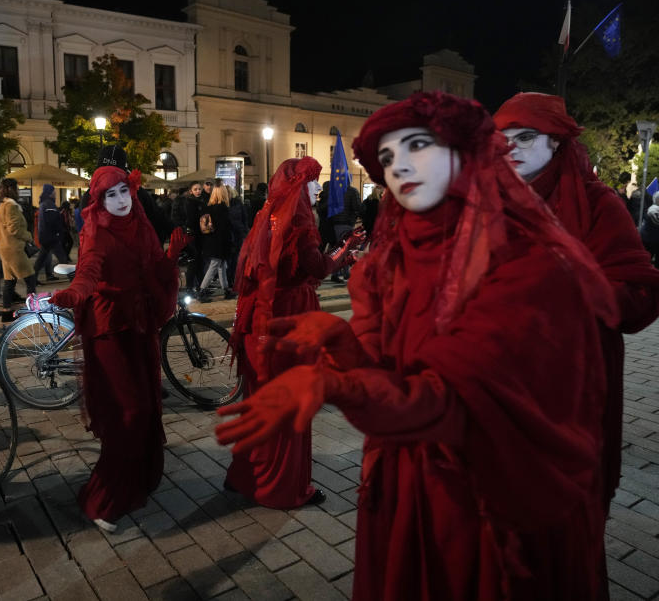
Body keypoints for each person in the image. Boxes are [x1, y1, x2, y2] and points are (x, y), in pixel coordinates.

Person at [216, 92, 619, 598]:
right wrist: (344, 345)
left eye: (417, 146)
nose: (399, 165)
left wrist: (335, 384)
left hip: (487, 507)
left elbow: (449, 402)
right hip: (411, 487)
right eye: (387, 157)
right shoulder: (400, 255)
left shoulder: (524, 259)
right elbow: (392, 372)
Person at [494, 92, 659, 509]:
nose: (510, 148)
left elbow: (641, 296)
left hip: (568, 390)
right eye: (501, 137)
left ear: (557, 141)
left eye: (526, 136)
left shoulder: (597, 203)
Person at [50, 165, 190, 532]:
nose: (120, 200)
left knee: (147, 405)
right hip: (110, 327)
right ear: (99, 200)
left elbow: (153, 265)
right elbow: (88, 273)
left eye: (124, 191)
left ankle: (139, 479)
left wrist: (171, 255)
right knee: (128, 411)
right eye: (110, 195)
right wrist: (72, 293)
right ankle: (102, 498)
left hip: (139, 324)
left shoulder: (141, 224)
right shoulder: (96, 231)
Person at [223, 157, 340, 509]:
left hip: (259, 320)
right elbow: (317, 268)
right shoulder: (300, 224)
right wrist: (345, 253)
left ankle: (245, 477)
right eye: (313, 182)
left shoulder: (267, 216)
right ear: (298, 187)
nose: (318, 189)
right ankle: (283, 487)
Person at [0, 178, 37, 311]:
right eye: (17, 188)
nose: (18, 191)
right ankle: (34, 307)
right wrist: (29, 237)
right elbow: (14, 229)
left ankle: (6, 310)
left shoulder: (3, 205)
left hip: (6, 248)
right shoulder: (11, 206)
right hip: (14, 249)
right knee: (30, 278)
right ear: (11, 190)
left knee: (10, 280)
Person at [197, 182, 235, 301]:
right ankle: (202, 290)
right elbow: (225, 228)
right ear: (223, 193)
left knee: (221, 265)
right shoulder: (222, 208)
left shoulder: (209, 206)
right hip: (220, 242)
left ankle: (226, 289)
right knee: (215, 265)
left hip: (211, 240)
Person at [34, 183, 70, 282]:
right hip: (51, 237)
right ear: (50, 193)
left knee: (41, 259)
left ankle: (33, 278)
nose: (55, 193)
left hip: (46, 237)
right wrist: (58, 233)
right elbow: (53, 222)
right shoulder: (49, 205)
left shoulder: (44, 204)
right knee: (62, 258)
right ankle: (74, 278)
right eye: (54, 191)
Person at [641, 192, 659, 265]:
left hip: (650, 239)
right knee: (646, 261)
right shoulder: (653, 210)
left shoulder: (651, 209)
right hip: (650, 239)